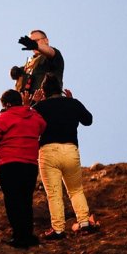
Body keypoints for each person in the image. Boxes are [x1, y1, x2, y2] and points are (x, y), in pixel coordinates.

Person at [31, 73, 98, 240]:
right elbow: (88, 120)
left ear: (44, 91)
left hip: (48, 151)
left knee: (54, 193)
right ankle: (84, 222)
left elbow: (29, 124)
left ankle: (58, 229)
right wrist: (73, 102)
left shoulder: (40, 107)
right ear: (60, 89)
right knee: (75, 190)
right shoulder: (72, 103)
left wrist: (34, 103)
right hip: (70, 150)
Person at [0, 89, 47, 249]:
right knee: (26, 200)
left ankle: (19, 237)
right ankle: (28, 235)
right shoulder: (35, 116)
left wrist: (0, 114)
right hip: (30, 164)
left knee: (13, 201)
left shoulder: (4, 117)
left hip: (9, 164)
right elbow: (42, 126)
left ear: (6, 104)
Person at [10, 29, 65, 96]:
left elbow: (51, 52)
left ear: (46, 40)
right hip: (29, 104)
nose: (33, 43)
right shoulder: (28, 65)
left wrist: (36, 46)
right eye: (31, 42)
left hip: (48, 101)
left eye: (36, 41)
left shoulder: (51, 55)